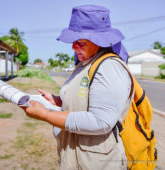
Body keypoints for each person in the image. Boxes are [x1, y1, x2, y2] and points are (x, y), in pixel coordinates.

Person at [21, 5, 133, 170]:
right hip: (77, 158)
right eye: (73, 42)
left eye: (80, 42)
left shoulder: (110, 67)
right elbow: (86, 99)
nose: (73, 47)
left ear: (99, 41)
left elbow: (100, 121)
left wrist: (45, 114)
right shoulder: (86, 63)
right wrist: (58, 101)